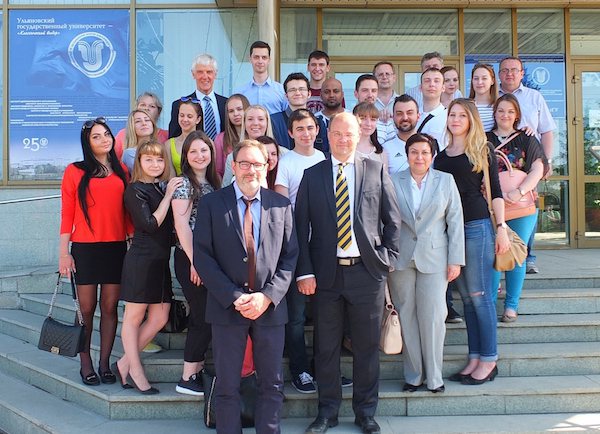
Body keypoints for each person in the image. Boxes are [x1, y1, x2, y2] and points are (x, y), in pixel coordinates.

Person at [296, 112, 401, 434]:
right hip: (326, 277)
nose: (343, 139)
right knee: (326, 348)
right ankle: (326, 413)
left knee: (367, 348)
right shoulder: (312, 175)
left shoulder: (375, 168)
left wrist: (387, 260)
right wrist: (305, 273)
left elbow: (392, 220)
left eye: (349, 134)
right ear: (328, 137)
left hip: (366, 275)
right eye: (337, 134)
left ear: (359, 136)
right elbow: (300, 229)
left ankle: (365, 413)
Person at [193, 139, 298, 434]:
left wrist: (267, 297)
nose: (251, 170)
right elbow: (202, 255)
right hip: (227, 308)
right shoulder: (213, 203)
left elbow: (290, 257)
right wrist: (234, 296)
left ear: (267, 166)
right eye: (244, 163)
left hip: (270, 309)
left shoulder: (281, 205)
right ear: (233, 166)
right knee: (227, 385)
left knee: (271, 384)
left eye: (257, 164)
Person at [434, 98, 510, 385]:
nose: (455, 119)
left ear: (471, 120)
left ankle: (489, 360)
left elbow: (497, 191)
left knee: (481, 298)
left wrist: (501, 227)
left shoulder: (482, 150)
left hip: (477, 227)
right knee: (466, 300)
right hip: (450, 232)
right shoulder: (440, 156)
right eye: (452, 114)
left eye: (461, 115)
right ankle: (475, 356)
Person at [388, 133, 465, 394]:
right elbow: (384, 219)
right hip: (400, 257)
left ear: (432, 156)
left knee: (433, 317)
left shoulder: (445, 181)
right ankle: (413, 375)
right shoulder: (393, 179)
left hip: (435, 257)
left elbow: (455, 221)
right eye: (414, 152)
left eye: (424, 152)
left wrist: (456, 259)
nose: (419, 157)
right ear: (407, 154)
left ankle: (434, 377)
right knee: (407, 315)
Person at [58, 117, 130, 387]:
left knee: (110, 307)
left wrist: (133, 242)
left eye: (107, 134)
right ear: (88, 144)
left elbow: (127, 213)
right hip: (85, 249)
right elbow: (67, 214)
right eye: (96, 137)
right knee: (86, 309)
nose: (104, 139)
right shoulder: (75, 171)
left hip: (116, 248)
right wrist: (64, 253)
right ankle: (86, 363)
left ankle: (104, 364)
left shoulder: (122, 169)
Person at [113, 141, 183, 394]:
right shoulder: (135, 190)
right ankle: (136, 371)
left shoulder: (162, 186)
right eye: (149, 160)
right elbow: (151, 224)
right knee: (133, 318)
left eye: (160, 160)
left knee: (160, 317)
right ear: (139, 163)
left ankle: (123, 363)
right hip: (141, 260)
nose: (155, 164)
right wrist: (167, 197)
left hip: (161, 261)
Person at [274, 109, 326, 394]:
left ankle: (324, 368)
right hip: (295, 247)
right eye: (300, 129)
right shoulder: (287, 162)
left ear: (317, 130)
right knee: (295, 316)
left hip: (322, 247)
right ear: (291, 133)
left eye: (310, 127)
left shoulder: (323, 159)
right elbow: (283, 207)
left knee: (324, 315)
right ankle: (300, 370)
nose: (306, 133)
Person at [487, 94, 547, 322]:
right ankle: (490, 304)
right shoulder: (484, 139)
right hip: (492, 206)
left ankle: (511, 305)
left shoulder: (527, 139)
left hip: (521, 205)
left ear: (517, 115)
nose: (505, 115)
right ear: (494, 113)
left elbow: (537, 169)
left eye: (510, 111)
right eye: (501, 110)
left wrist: (519, 191)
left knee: (517, 254)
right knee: (494, 253)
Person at [171, 131, 222, 396]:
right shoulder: (183, 184)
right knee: (202, 316)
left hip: (207, 259)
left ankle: (197, 369)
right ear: (186, 157)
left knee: (206, 315)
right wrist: (196, 262)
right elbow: (182, 227)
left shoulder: (213, 182)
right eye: (193, 152)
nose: (199, 156)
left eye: (204, 151)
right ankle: (187, 376)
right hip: (190, 258)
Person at [498, 56, 556, 274]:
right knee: (500, 209)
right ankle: (502, 253)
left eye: (514, 70)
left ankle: (527, 256)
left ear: (522, 73)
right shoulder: (494, 97)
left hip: (530, 165)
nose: (509, 74)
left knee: (526, 207)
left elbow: (547, 130)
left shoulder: (534, 97)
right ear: (499, 74)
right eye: (505, 70)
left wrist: (547, 161)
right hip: (501, 165)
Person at [168, 53, 227, 139]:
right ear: (193, 74)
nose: (205, 76)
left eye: (209, 72)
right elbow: (174, 138)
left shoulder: (226, 104)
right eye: (200, 72)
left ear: (215, 74)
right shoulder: (180, 105)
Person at [271, 73, 328, 152]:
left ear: (309, 94)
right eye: (292, 90)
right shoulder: (274, 121)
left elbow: (325, 152)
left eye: (301, 89)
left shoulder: (319, 123)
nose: (297, 93)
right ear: (286, 96)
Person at [222, 105, 276, 186]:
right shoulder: (233, 157)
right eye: (250, 119)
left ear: (267, 122)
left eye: (260, 119)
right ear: (244, 123)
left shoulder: (282, 153)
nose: (255, 123)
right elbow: (225, 188)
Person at [235, 41, 287, 114]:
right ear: (250, 59)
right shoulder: (240, 93)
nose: (260, 61)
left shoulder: (281, 91)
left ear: (269, 60)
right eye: (256, 57)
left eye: (264, 57)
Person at [115, 92, 169, 159]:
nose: (146, 108)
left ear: (158, 112)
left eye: (152, 106)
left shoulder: (167, 135)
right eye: (143, 105)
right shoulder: (122, 134)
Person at [213, 94, 250, 177]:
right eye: (231, 111)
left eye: (239, 109)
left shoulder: (254, 135)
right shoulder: (220, 139)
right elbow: (218, 171)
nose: (236, 114)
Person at [382, 94, 419, 176]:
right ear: (393, 117)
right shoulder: (385, 149)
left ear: (418, 116)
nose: (405, 118)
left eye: (409, 113)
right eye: (399, 113)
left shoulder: (430, 145)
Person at [165, 98, 203, 176]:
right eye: (181, 115)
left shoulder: (207, 143)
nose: (185, 119)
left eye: (189, 116)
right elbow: (170, 175)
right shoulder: (169, 144)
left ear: (198, 119)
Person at [352, 102, 389, 172]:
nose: (368, 124)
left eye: (373, 119)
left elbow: (385, 180)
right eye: (363, 118)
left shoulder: (381, 152)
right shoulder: (348, 150)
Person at [416, 68, 447, 148]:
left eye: (436, 81)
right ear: (420, 87)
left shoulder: (449, 116)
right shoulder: (412, 115)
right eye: (427, 81)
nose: (431, 84)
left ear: (443, 87)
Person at [373, 62, 399, 143]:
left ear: (394, 78)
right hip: (373, 147)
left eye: (387, 74)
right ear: (374, 78)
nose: (384, 77)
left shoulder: (401, 102)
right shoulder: (368, 103)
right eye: (380, 74)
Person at [469, 63, 498, 132]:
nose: (479, 82)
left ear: (492, 81)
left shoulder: (499, 106)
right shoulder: (465, 106)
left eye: (484, 78)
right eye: (476, 78)